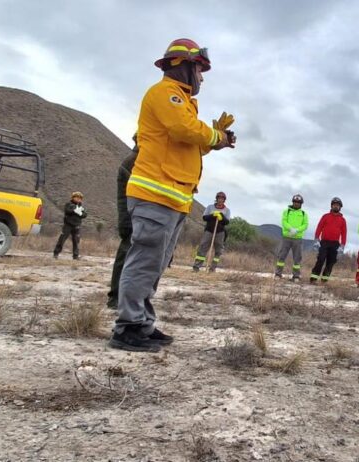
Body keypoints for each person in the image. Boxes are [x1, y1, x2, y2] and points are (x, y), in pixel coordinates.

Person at [111, 38, 235, 352]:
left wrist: (215, 137)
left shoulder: (182, 101)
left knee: (153, 265)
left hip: (172, 198)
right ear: (182, 65)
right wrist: (214, 135)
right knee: (143, 263)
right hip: (155, 194)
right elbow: (184, 130)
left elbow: (193, 141)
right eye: (200, 69)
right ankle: (126, 328)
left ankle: (141, 323)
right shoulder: (165, 93)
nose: (202, 77)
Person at [107, 140, 138, 308]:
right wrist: (126, 220)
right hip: (131, 217)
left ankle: (126, 297)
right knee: (126, 255)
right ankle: (115, 297)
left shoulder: (143, 160)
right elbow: (124, 197)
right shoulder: (133, 162)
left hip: (138, 216)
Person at [310, 197, 347, 284]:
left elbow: (344, 233)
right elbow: (319, 227)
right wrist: (316, 239)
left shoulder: (342, 220)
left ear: (340, 207)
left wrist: (342, 246)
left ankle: (324, 280)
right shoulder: (325, 216)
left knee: (331, 262)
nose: (336, 206)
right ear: (331, 206)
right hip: (324, 243)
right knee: (321, 259)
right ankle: (313, 278)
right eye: (334, 205)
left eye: (338, 205)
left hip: (335, 244)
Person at [193, 192, 231, 272]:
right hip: (209, 231)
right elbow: (204, 217)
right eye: (219, 198)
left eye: (222, 199)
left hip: (220, 232)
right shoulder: (210, 207)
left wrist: (222, 217)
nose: (220, 200)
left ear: (224, 200)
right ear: (216, 199)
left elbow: (227, 222)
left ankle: (212, 268)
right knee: (202, 247)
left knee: (218, 250)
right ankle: (196, 267)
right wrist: (212, 215)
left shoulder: (227, 210)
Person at [275, 194, 309, 281]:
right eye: (295, 202)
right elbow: (284, 221)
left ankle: (296, 276)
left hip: (297, 239)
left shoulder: (303, 214)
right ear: (292, 202)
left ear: (301, 204)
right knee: (281, 256)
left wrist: (297, 230)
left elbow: (305, 225)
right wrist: (290, 228)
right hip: (286, 237)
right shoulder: (286, 211)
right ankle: (278, 274)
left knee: (297, 258)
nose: (296, 203)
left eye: (298, 202)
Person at [53, 192, 88, 260]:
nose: (78, 199)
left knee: (76, 241)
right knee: (62, 239)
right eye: (77, 197)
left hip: (77, 226)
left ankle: (75, 256)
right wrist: (74, 210)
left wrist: (80, 212)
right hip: (68, 225)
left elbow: (85, 215)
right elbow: (67, 211)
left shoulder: (81, 207)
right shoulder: (68, 204)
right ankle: (56, 253)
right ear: (73, 197)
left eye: (80, 198)